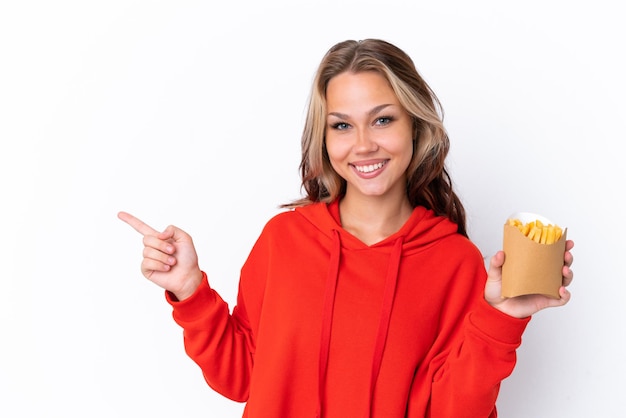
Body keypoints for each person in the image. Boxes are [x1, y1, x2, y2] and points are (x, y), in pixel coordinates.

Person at [118, 39, 574, 418]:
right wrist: (191, 291)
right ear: (325, 136)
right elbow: (242, 377)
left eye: (382, 119)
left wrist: (504, 318)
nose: (363, 145)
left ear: (415, 126)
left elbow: (454, 408)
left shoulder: (455, 262)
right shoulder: (284, 240)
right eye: (342, 125)